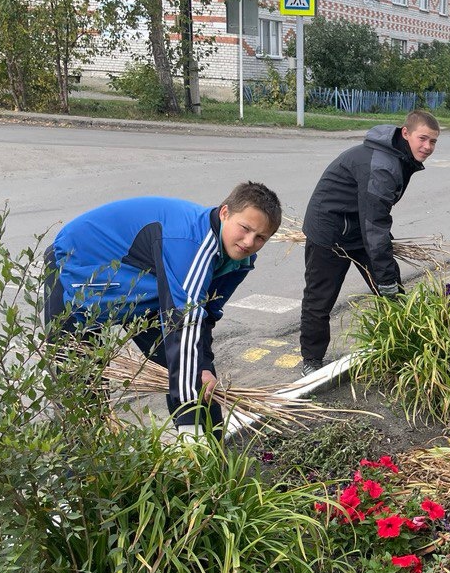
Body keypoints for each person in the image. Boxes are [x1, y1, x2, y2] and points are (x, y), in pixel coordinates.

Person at [44, 182, 282, 433]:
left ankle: (211, 463)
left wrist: (202, 366)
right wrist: (190, 421)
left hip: (145, 287)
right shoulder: (192, 245)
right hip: (80, 267)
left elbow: (204, 315)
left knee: (199, 378)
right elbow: (185, 321)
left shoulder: (239, 259)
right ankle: (82, 467)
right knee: (80, 389)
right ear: (225, 213)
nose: (248, 242)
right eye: (244, 229)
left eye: (260, 238)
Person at [299, 109, 440, 371]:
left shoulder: (398, 155)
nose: (428, 146)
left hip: (360, 226)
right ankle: (311, 359)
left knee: (392, 293)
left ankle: (400, 348)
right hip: (329, 232)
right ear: (405, 133)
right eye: (423, 139)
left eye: (433, 141)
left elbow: (373, 220)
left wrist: (387, 279)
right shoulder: (382, 165)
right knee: (320, 298)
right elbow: (375, 225)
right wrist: (384, 277)